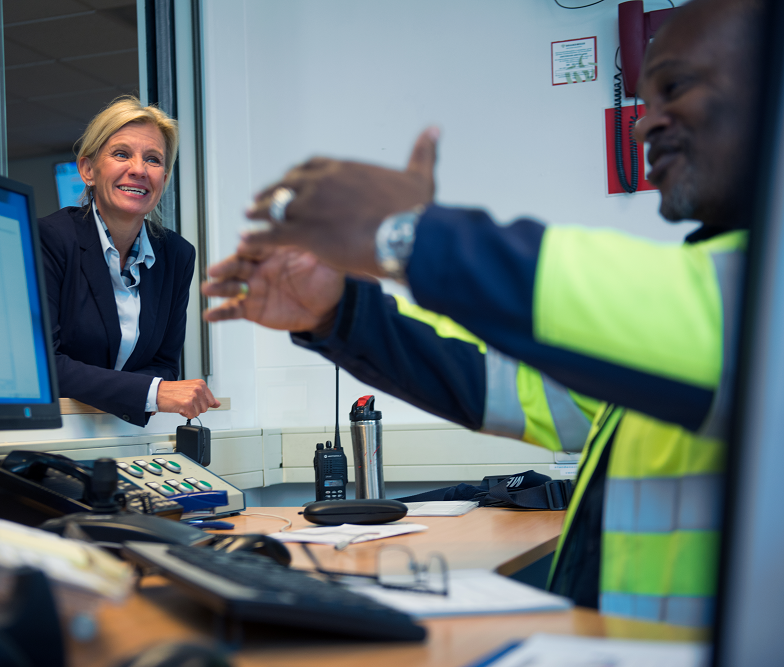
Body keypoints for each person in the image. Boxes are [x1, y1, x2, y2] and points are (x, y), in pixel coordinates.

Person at [202, 0, 763, 626]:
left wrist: (406, 236)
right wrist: (340, 315)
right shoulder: (669, 334)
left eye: (675, 87)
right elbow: (502, 382)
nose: (642, 124)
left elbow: (649, 300)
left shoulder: (747, 298)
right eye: (642, 97)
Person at [39, 97, 219, 426]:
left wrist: (143, 391)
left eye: (153, 159)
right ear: (88, 170)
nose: (138, 169)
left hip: (125, 435)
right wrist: (150, 393)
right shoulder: (50, 239)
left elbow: (165, 363)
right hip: (57, 435)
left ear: (163, 179)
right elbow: (46, 364)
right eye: (122, 154)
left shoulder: (177, 256)